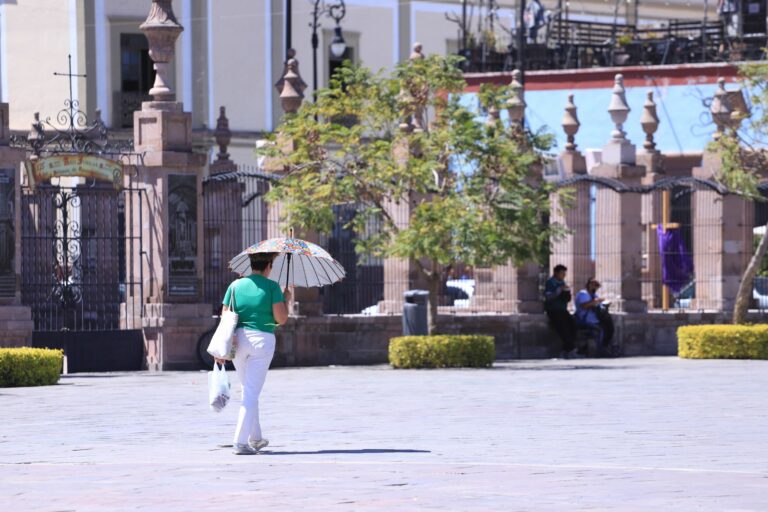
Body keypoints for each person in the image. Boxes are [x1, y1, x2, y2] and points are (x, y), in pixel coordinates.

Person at [215, 252, 292, 455]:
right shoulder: (272, 287)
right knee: (251, 392)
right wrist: (286, 300)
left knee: (248, 390)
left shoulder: (235, 286)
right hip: (262, 341)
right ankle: (240, 442)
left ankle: (256, 438)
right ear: (268, 265)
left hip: (238, 341)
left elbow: (225, 316)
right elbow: (281, 319)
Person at [543, 264, 578, 358]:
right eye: (562, 273)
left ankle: (567, 349)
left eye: (564, 273)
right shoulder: (550, 282)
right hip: (553, 310)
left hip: (562, 309)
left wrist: (567, 292)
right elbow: (548, 296)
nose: (564, 275)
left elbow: (567, 298)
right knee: (563, 328)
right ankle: (569, 349)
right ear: (556, 273)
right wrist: (559, 290)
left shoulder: (562, 282)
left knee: (573, 325)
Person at [574, 278, 615, 355]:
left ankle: (605, 347)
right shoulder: (583, 294)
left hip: (595, 319)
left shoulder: (594, 295)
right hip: (585, 319)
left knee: (609, 327)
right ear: (590, 285)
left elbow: (598, 304)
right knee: (601, 330)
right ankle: (600, 349)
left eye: (597, 286)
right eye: (595, 286)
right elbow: (584, 305)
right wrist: (596, 301)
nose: (596, 288)